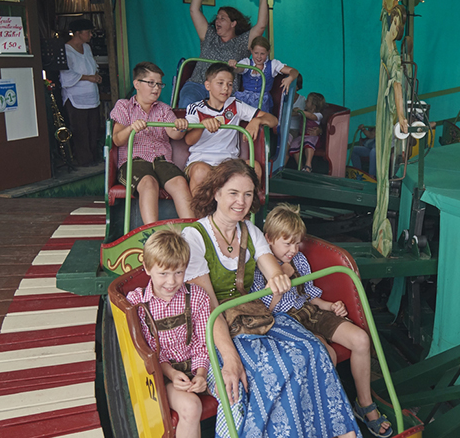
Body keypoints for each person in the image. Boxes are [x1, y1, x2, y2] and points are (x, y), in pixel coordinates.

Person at [181, 160, 360, 438]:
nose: (241, 202)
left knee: (313, 350)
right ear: (216, 192)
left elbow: (270, 266)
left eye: (248, 194)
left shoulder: (250, 232)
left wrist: (278, 276)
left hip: (254, 315)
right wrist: (229, 359)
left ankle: (338, 432)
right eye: (233, 193)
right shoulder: (195, 237)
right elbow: (209, 308)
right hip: (216, 326)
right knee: (276, 369)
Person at [251, 204, 393, 438]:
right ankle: (326, 419)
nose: (293, 250)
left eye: (297, 243)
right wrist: (280, 278)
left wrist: (331, 306)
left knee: (360, 339)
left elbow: (309, 295)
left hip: (310, 312)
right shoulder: (260, 269)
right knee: (326, 354)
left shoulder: (300, 259)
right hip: (287, 322)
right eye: (287, 243)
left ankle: (364, 404)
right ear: (268, 239)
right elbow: (267, 312)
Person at [126, 228, 211, 438]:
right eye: (163, 273)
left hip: (197, 368)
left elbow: (203, 343)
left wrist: (201, 374)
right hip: (162, 376)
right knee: (191, 407)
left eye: (178, 272)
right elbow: (150, 350)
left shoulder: (197, 297)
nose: (171, 282)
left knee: (236, 390)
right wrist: (172, 375)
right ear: (147, 267)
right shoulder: (139, 304)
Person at [110, 62, 192, 224]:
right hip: (134, 161)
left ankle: (194, 233)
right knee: (148, 183)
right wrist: (131, 129)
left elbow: (174, 135)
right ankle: (152, 236)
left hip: (162, 161)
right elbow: (117, 140)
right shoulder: (124, 106)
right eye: (151, 83)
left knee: (180, 182)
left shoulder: (164, 109)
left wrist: (180, 127)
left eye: (159, 84)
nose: (156, 88)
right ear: (137, 84)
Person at [184, 63, 278, 204]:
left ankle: (243, 216)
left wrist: (257, 121)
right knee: (200, 171)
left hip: (228, 164)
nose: (225, 88)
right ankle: (199, 220)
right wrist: (202, 126)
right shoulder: (195, 108)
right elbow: (189, 141)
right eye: (220, 83)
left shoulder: (236, 105)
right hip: (202, 162)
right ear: (208, 85)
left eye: (229, 84)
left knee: (255, 167)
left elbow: (273, 120)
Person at [177, 0, 270, 108]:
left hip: (225, 90)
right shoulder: (209, 35)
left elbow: (261, 24)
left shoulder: (242, 42)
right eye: (217, 18)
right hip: (199, 84)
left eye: (222, 18)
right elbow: (194, 10)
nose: (217, 21)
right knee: (188, 101)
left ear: (233, 24)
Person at [373, 0, 410, 256]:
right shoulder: (390, 51)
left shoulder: (390, 51)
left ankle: (382, 223)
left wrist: (400, 115)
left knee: (385, 156)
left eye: (397, 24)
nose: (393, 27)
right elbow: (397, 87)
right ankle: (380, 225)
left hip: (386, 109)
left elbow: (397, 87)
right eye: (393, 23)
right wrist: (402, 117)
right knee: (384, 154)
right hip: (386, 109)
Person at [60, 18, 103, 166]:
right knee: (80, 130)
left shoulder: (87, 48)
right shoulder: (66, 50)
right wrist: (87, 77)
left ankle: (93, 157)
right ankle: (84, 160)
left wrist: (95, 76)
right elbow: (66, 75)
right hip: (75, 97)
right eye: (88, 32)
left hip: (91, 94)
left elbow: (91, 65)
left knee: (93, 127)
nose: (90, 35)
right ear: (77, 33)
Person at [228, 36, 298, 114]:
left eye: (262, 54)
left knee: (258, 112)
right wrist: (233, 65)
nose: (259, 57)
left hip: (262, 100)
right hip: (244, 98)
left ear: (268, 52)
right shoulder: (247, 63)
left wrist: (290, 78)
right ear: (251, 50)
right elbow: (238, 69)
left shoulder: (273, 65)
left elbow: (294, 71)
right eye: (256, 53)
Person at [286, 92, 326, 172]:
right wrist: (290, 112)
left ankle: (308, 165)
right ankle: (300, 166)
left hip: (312, 137)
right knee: (294, 144)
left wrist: (301, 111)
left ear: (313, 106)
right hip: (302, 136)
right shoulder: (304, 112)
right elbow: (295, 114)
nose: (305, 101)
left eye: (307, 101)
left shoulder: (318, 115)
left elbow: (311, 116)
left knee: (308, 143)